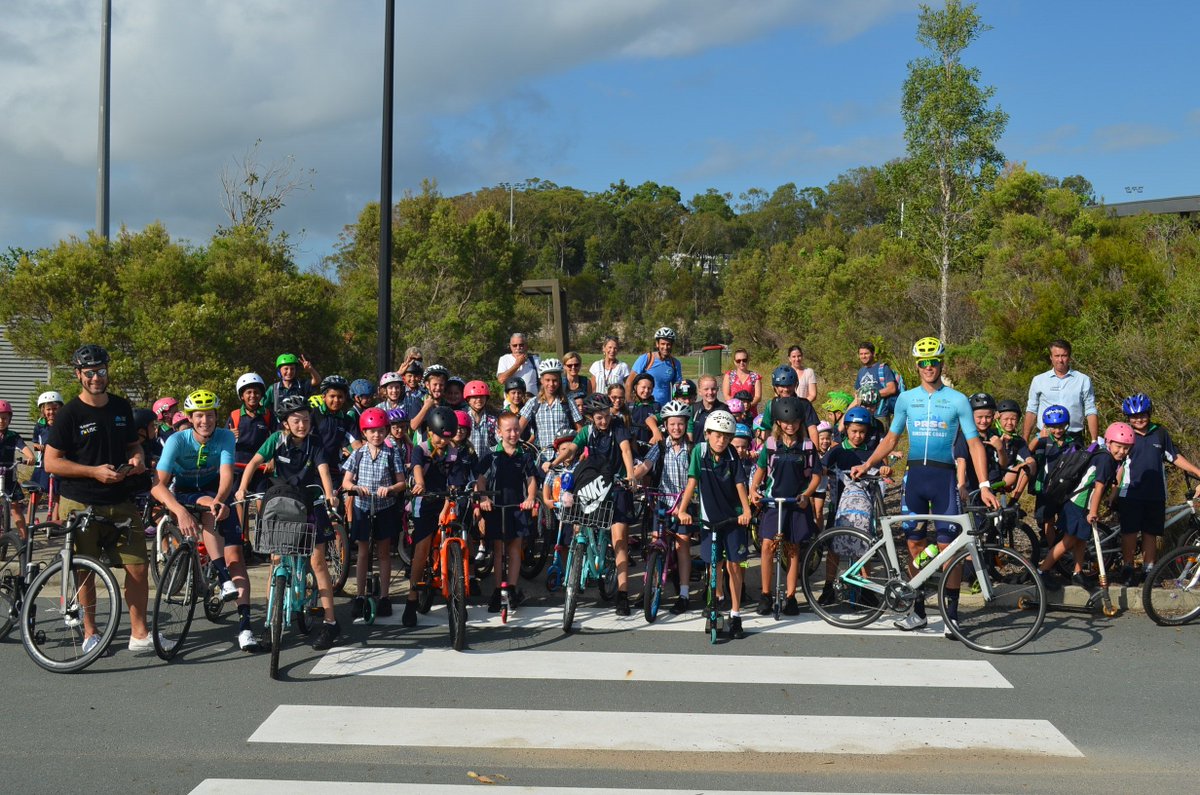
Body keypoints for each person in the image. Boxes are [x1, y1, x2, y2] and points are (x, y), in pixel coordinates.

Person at [850, 337, 999, 637]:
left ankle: (951, 615)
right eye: (923, 363)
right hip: (915, 478)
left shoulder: (957, 400)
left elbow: (974, 443)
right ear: (917, 366)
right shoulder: (906, 399)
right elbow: (891, 439)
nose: (928, 367)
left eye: (933, 362)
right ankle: (916, 613)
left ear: (941, 364)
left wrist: (983, 485)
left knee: (949, 548)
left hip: (944, 479)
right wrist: (867, 465)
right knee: (915, 545)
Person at [44, 344, 157, 653]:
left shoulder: (122, 407)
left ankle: (139, 634)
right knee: (86, 570)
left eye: (101, 371)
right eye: (90, 372)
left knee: (138, 566)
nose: (96, 377)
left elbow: (134, 445)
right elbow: (51, 462)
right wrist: (92, 471)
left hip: (120, 499)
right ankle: (90, 632)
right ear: (79, 375)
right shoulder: (69, 413)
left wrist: (137, 459)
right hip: (80, 501)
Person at [153, 389, 262, 651]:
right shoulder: (177, 441)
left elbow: (226, 475)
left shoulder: (224, 437)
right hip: (188, 495)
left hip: (217, 493)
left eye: (210, 415)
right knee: (205, 510)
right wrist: (178, 511)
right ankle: (222, 577)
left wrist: (221, 500)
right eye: (199, 416)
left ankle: (245, 627)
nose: (205, 421)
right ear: (190, 418)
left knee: (236, 557)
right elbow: (158, 486)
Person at [235, 394, 342, 650]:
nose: (302, 425)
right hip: (282, 504)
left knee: (317, 562)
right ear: (285, 423)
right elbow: (253, 464)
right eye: (296, 420)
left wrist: (329, 495)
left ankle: (330, 622)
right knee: (276, 559)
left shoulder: (314, 444)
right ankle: (272, 621)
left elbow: (324, 471)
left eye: (306, 420)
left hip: (311, 505)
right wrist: (242, 488)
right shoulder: (276, 440)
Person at [546, 393, 638, 615]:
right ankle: (581, 564)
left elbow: (626, 450)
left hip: (616, 486)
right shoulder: (587, 432)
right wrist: (553, 462)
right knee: (579, 521)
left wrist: (630, 474)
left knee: (619, 541)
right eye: (599, 417)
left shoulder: (618, 428)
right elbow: (571, 448)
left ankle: (623, 594)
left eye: (606, 416)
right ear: (590, 418)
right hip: (594, 486)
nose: (604, 421)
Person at [675, 410, 753, 639]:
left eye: (726, 437)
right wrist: (682, 510)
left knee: (734, 566)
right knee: (714, 565)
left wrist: (746, 510)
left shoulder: (731, 455)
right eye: (717, 436)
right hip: (710, 519)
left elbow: (740, 483)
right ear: (707, 434)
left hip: (733, 518)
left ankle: (736, 614)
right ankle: (717, 599)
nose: (721, 441)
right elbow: (692, 482)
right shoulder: (699, 452)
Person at [408, 407, 486, 627]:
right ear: (429, 432)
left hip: (446, 500)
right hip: (426, 501)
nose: (444, 441)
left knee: (459, 537)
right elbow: (416, 468)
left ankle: (458, 595)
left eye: (448, 438)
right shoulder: (420, 449)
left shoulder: (454, 452)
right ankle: (412, 598)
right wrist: (420, 483)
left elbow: (454, 478)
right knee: (422, 548)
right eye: (440, 437)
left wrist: (454, 496)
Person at [1115, 393, 1200, 585]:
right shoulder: (1125, 433)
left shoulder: (1160, 432)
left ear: (1150, 413)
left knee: (1150, 533)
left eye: (1143, 415)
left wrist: (1197, 471)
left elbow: (1174, 457)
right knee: (1129, 532)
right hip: (1130, 493)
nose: (1139, 419)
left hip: (1155, 494)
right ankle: (1127, 568)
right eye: (1134, 416)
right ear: (1128, 417)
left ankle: (1149, 572)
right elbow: (1118, 464)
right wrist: (1113, 488)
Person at [1037, 422, 1134, 588]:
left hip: (1082, 505)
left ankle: (1077, 572)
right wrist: (1093, 512)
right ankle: (1042, 572)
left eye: (1126, 448)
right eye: (1118, 446)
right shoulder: (1105, 459)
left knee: (1081, 539)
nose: (1122, 451)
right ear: (1109, 442)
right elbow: (1098, 488)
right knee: (1068, 541)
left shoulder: (1107, 457)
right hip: (1078, 504)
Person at [750, 396, 821, 616]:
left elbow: (817, 476)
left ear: (800, 422)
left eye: (794, 422)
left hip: (796, 503)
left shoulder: (807, 446)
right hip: (773, 502)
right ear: (779, 422)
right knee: (767, 546)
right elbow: (761, 469)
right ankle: (765, 594)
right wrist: (753, 490)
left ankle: (790, 596)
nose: (790, 426)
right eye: (785, 422)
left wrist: (806, 495)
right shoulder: (771, 445)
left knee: (792, 549)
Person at [341, 407, 406, 623]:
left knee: (384, 551)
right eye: (371, 431)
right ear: (364, 433)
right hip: (362, 506)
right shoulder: (358, 454)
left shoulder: (392, 453)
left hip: (384, 507)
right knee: (362, 552)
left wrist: (391, 489)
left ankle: (385, 596)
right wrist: (356, 487)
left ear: (386, 431)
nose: (376, 435)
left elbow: (401, 481)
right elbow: (346, 481)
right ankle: (360, 595)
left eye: (380, 431)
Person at [632, 400, 694, 613]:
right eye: (672, 424)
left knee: (681, 545)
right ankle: (648, 587)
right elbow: (645, 466)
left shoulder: (692, 448)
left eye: (680, 424)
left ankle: (684, 594)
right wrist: (632, 478)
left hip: (683, 503)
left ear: (686, 424)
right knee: (655, 543)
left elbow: (695, 479)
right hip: (663, 501)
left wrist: (684, 505)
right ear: (665, 425)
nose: (676, 428)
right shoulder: (660, 446)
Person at [479, 412, 538, 613]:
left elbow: (531, 481)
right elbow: (481, 480)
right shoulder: (491, 456)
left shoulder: (525, 456)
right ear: (499, 432)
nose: (513, 434)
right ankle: (497, 590)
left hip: (517, 507)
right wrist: (484, 498)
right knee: (498, 551)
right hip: (497, 508)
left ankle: (511, 589)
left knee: (514, 549)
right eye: (508, 430)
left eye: (516, 429)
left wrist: (530, 498)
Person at [1023, 339, 1098, 444]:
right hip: (1046, 436)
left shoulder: (1083, 380)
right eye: (1057, 356)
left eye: (1064, 355)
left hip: (1073, 437)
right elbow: (1031, 410)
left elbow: (1090, 410)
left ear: (1069, 357)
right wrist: (1025, 439)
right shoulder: (1038, 380)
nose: (1060, 360)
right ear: (1051, 357)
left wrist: (1094, 440)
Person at [1030, 405, 1083, 551]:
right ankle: (1052, 549)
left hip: (1066, 487)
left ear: (1066, 425)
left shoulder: (1073, 442)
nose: (1057, 430)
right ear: (1046, 426)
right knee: (1048, 519)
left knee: (1065, 518)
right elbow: (1027, 453)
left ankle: (1063, 549)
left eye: (1061, 426)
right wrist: (1037, 438)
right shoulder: (1043, 441)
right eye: (1052, 427)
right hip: (1046, 487)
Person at [518, 359, 583, 467]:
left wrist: (574, 448)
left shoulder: (568, 401)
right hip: (542, 458)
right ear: (542, 380)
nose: (551, 384)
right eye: (547, 380)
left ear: (560, 380)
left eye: (555, 380)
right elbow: (519, 428)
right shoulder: (533, 403)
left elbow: (580, 429)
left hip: (565, 458)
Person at [0, 400, 34, 540]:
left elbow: (25, 448)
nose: (1, 420)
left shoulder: (13, 436)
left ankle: (24, 540)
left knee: (15, 507)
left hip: (9, 475)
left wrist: (30, 457)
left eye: (5, 418)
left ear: (10, 419)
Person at [29, 390, 64, 522]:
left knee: (57, 494)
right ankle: (30, 520)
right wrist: (39, 447)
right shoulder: (40, 426)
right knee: (36, 492)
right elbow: (35, 442)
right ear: (43, 410)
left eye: (55, 409)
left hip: (59, 463)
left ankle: (55, 521)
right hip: (42, 464)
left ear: (60, 409)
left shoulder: (63, 425)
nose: (51, 412)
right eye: (48, 409)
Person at [626, 327, 683, 406]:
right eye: (662, 344)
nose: (665, 347)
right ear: (657, 344)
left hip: (664, 408)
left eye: (668, 344)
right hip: (644, 406)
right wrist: (630, 405)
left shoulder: (675, 363)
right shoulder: (647, 359)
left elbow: (676, 388)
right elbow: (629, 382)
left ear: (672, 345)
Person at [264, 353, 321, 424]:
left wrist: (311, 370)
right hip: (280, 427)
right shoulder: (273, 388)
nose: (289, 372)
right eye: (286, 369)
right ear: (279, 370)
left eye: (292, 369)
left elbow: (317, 381)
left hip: (299, 425)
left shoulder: (302, 385)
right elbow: (262, 406)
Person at [854, 342, 901, 421]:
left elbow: (892, 388)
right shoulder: (861, 371)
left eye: (866, 353)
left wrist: (869, 396)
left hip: (880, 414)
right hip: (864, 415)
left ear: (873, 353)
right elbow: (857, 392)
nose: (863, 356)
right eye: (861, 354)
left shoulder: (883, 368)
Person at [723, 349, 762, 413]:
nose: (741, 362)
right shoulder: (729, 375)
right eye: (738, 361)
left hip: (750, 412)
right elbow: (726, 395)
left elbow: (758, 397)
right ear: (735, 362)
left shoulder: (755, 376)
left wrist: (747, 406)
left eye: (744, 360)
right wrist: (738, 407)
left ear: (748, 361)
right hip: (734, 412)